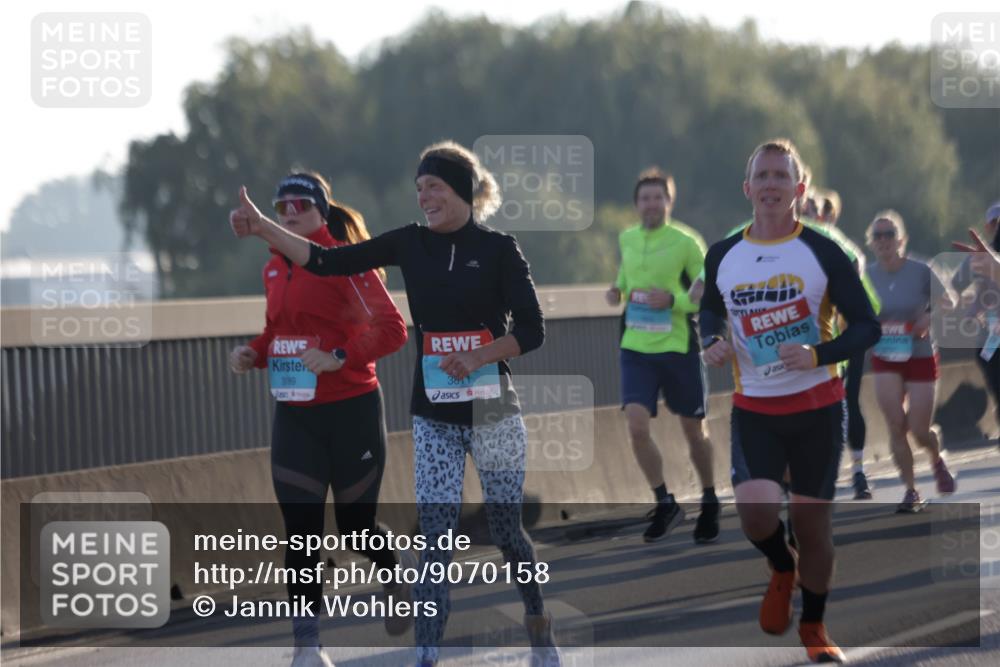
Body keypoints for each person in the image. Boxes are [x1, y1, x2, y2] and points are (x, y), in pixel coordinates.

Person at [230, 142, 559, 667]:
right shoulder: (410, 243)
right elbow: (326, 258)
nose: (423, 196)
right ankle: (427, 653)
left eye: (434, 186)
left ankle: (538, 622)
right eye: (419, 188)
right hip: (433, 416)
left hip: (491, 407)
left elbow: (534, 331)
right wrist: (263, 229)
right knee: (434, 538)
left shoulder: (500, 249)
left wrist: (480, 354)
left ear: (462, 191)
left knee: (505, 531)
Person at [701, 138, 880, 663]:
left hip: (818, 408)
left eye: (783, 176)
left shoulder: (824, 252)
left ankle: (816, 627)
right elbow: (710, 310)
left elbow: (868, 326)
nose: (772, 185)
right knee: (756, 514)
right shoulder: (724, 253)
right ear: (748, 188)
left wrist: (820, 352)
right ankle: (783, 566)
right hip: (755, 408)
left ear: (800, 189)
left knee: (812, 525)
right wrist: (710, 341)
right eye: (764, 176)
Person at [229, 171, 409, 667]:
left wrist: (338, 354)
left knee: (355, 529)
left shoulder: (346, 263)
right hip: (296, 416)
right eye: (281, 205)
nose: (289, 212)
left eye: (300, 204)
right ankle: (307, 646)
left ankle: (393, 572)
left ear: (321, 212)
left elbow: (393, 330)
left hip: (352, 412)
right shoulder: (273, 269)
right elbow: (277, 331)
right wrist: (254, 352)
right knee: (301, 530)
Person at [726, 186, 881, 500]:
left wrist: (837, 320)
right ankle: (790, 486)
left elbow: (864, 289)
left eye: (814, 208)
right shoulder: (749, 237)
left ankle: (858, 469)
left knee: (849, 401)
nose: (809, 213)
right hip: (773, 353)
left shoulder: (827, 240)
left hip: (832, 343)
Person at [605, 167, 719, 543]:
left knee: (693, 429)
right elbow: (626, 279)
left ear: (670, 202)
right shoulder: (627, 238)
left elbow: (706, 288)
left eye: (658, 197)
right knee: (637, 426)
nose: (651, 204)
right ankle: (664, 500)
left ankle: (709, 497)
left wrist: (674, 300)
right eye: (645, 198)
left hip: (677, 345)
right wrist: (616, 291)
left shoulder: (687, 241)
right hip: (636, 346)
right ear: (636, 204)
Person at [866, 210, 958, 513]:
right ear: (871, 242)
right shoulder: (867, 275)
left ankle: (936, 457)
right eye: (877, 236)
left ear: (901, 240)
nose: (883, 241)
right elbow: (854, 311)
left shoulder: (920, 270)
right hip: (885, 354)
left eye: (889, 234)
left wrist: (928, 317)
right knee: (895, 424)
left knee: (919, 429)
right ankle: (910, 490)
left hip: (919, 353)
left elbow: (949, 300)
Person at [951, 204, 1000, 438]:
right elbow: (955, 286)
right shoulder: (978, 257)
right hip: (990, 337)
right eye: (995, 222)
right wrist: (971, 309)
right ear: (988, 226)